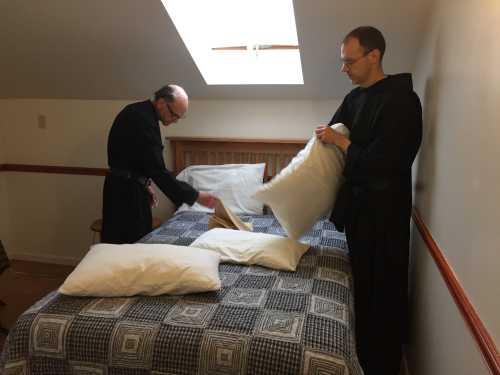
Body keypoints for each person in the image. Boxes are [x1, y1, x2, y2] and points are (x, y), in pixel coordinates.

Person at [315, 27, 422, 375]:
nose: (343, 69)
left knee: (384, 288)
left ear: (373, 56)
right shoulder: (354, 98)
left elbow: (387, 161)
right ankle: (356, 353)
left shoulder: (402, 99)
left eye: (349, 61)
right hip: (358, 211)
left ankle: (383, 365)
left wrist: (342, 143)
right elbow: (330, 137)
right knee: (359, 284)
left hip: (386, 212)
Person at [102, 84, 217, 244]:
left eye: (179, 117)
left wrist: (144, 181)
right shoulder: (143, 120)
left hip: (122, 185)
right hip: (126, 194)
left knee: (120, 243)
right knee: (132, 243)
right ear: (161, 103)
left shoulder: (137, 111)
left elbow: (135, 158)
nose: (175, 120)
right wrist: (195, 195)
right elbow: (158, 170)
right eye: (174, 115)